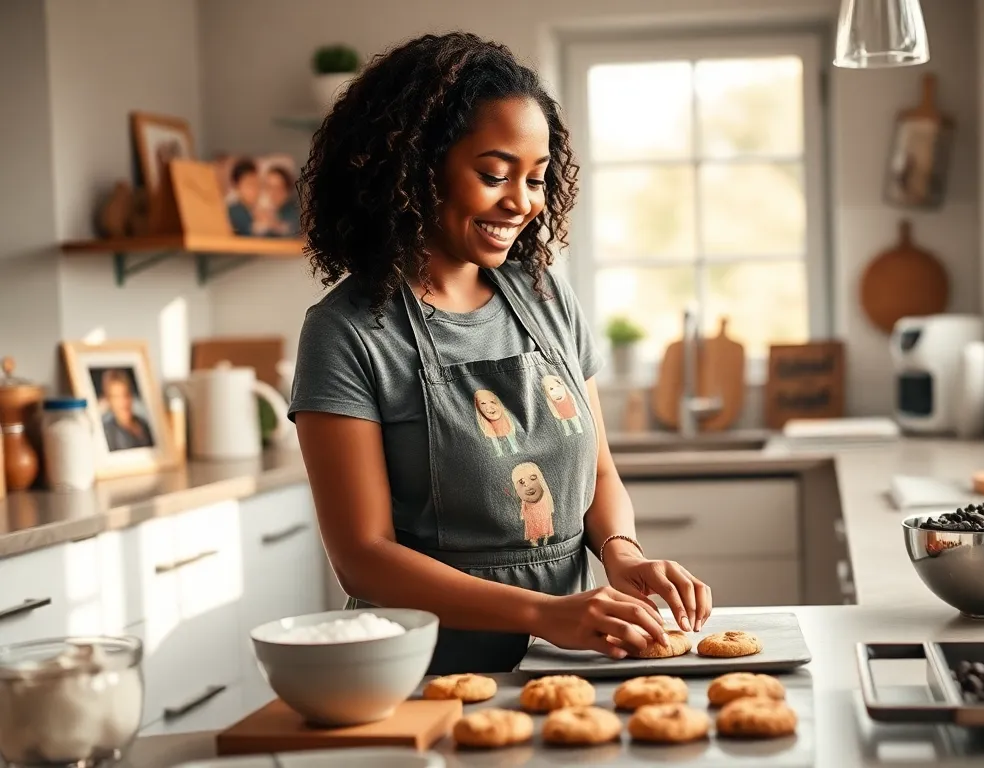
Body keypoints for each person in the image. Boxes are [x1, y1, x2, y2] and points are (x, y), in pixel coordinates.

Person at [288, 31, 713, 675]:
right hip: (424, 673)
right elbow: (363, 556)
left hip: (568, 664)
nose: (522, 202)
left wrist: (622, 553)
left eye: (537, 178)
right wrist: (545, 614)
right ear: (414, 167)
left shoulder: (545, 297)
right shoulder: (347, 332)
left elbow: (597, 474)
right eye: (494, 175)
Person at [100, 369, 153, 451]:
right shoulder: (107, 433)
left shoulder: (145, 425)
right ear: (109, 401)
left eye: (126, 394)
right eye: (116, 397)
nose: (123, 402)